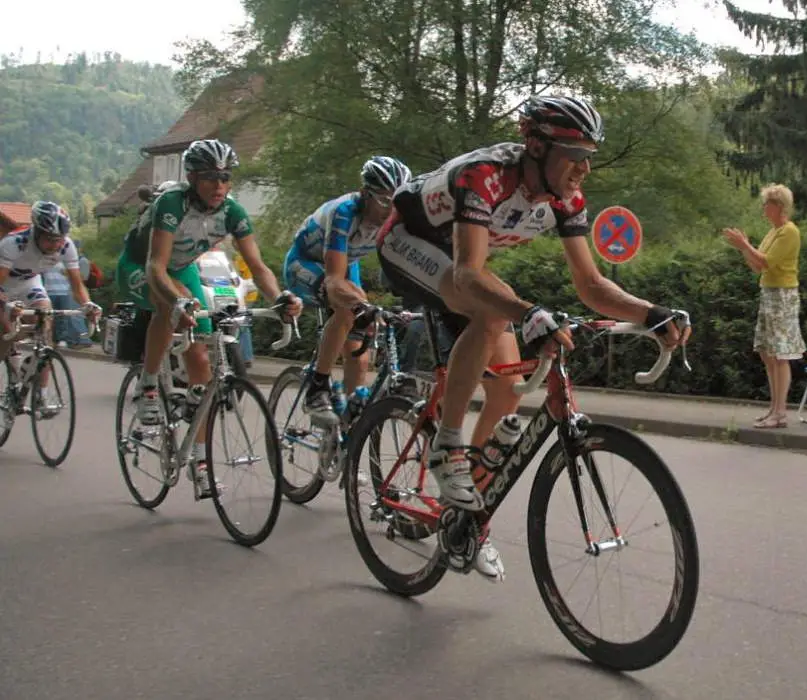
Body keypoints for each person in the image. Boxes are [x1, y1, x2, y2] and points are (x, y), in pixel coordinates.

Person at [376, 95, 689, 582]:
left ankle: (465, 513)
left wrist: (650, 313)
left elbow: (591, 285)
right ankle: (447, 446)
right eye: (575, 155)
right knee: (493, 312)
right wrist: (528, 314)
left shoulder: (565, 198)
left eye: (590, 156)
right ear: (537, 147)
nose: (584, 169)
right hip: (408, 244)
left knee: (506, 386)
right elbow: (466, 273)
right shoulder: (484, 176)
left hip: (461, 264)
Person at [116, 139, 302, 497]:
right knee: (168, 308)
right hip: (142, 267)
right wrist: (176, 302)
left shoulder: (232, 212)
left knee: (201, 356)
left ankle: (201, 463)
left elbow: (259, 267)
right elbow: (156, 265)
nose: (219, 186)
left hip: (182, 270)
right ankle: (149, 385)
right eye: (209, 178)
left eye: (225, 177)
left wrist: (279, 298)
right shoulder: (172, 203)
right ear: (192, 178)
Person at [283, 156, 412, 423]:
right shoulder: (344, 212)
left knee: (359, 355)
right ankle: (317, 386)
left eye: (397, 202)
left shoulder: (395, 218)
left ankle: (348, 432)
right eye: (385, 201)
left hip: (346, 263)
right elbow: (333, 281)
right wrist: (360, 304)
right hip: (305, 263)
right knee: (347, 310)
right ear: (365, 194)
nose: (391, 211)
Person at [0, 202, 101, 408]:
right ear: (36, 232)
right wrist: (8, 307)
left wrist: (88, 304)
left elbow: (77, 285)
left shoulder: (66, 245)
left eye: (59, 239)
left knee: (45, 322)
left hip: (29, 283)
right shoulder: (14, 243)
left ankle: (41, 394)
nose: (55, 245)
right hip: (4, 285)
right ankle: (7, 353)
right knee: (6, 329)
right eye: (49, 240)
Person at [723, 183, 806, 429]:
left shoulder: (789, 232)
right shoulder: (773, 232)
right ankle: (773, 408)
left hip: (783, 296)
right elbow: (757, 266)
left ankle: (780, 412)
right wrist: (743, 248)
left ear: (778, 206)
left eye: (767, 203)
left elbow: (767, 261)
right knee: (766, 351)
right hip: (769, 293)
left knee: (780, 354)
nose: (763, 208)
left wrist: (745, 246)